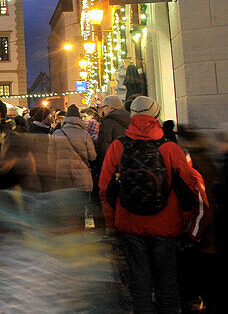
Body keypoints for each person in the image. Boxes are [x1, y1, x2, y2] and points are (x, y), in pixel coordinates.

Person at [99, 96, 207, 314]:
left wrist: (112, 224)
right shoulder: (170, 149)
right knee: (167, 283)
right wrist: (185, 227)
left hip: (129, 225)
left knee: (139, 285)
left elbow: (105, 191)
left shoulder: (118, 146)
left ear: (132, 116)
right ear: (156, 116)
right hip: (166, 228)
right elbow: (188, 192)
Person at [49, 104, 96, 192]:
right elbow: (92, 157)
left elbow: (50, 158)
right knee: (81, 203)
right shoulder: (84, 134)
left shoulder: (56, 133)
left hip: (62, 175)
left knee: (64, 203)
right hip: (81, 176)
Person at [95, 95, 131, 161]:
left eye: (103, 107)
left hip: (113, 159)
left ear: (110, 107)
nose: (102, 110)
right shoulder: (130, 118)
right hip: (128, 158)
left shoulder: (107, 122)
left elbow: (104, 144)